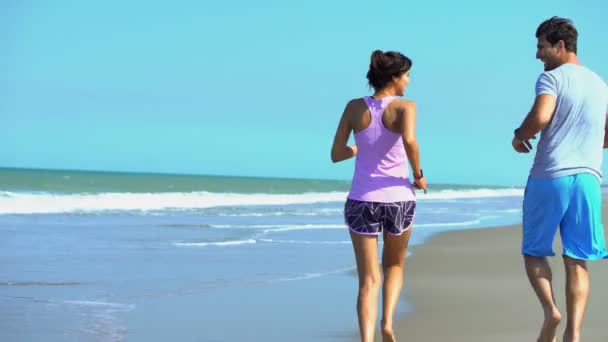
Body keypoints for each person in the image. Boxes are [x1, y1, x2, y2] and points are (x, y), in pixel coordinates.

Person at [512, 16, 608, 342]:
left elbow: (540, 116)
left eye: (541, 47)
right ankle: (574, 334)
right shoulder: (600, 83)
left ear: (560, 46)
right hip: (588, 180)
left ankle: (551, 310)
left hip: (550, 175)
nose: (538, 55)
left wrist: (519, 135)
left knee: (535, 251)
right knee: (578, 258)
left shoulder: (552, 78)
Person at [331, 49, 427, 342]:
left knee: (368, 280)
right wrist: (419, 174)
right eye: (407, 75)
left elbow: (336, 154)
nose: (409, 81)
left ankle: (366, 339)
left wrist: (360, 148)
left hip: (361, 199)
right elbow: (409, 139)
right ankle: (387, 324)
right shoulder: (406, 107)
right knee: (394, 265)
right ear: (395, 77)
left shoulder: (353, 107)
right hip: (398, 197)